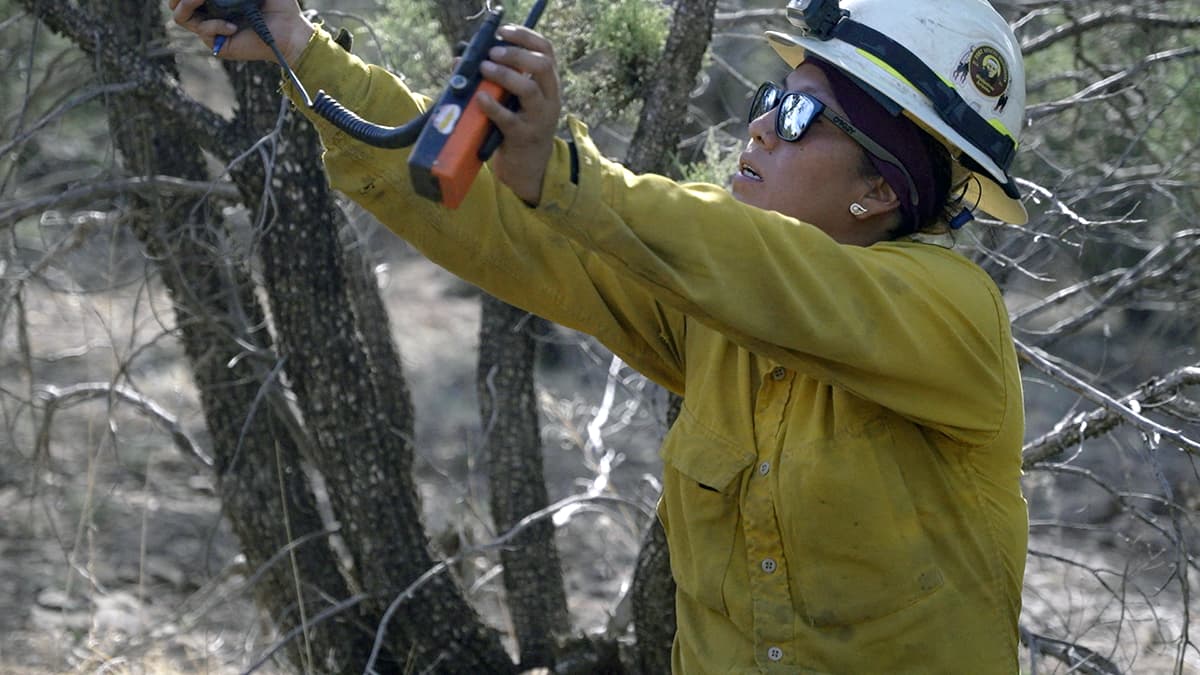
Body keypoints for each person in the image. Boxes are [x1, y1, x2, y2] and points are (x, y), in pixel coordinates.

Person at [172, 0, 1029, 671]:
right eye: (769, 99)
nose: (759, 127)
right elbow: (511, 228)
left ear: (880, 193)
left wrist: (564, 171)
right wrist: (300, 44)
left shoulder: (951, 315)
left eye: (799, 118)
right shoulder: (713, 305)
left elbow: (772, 271)